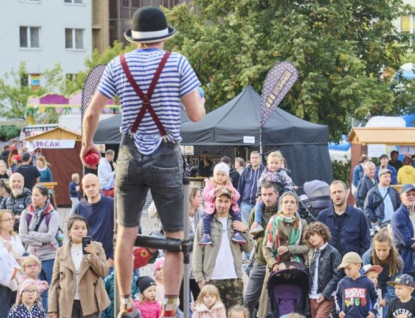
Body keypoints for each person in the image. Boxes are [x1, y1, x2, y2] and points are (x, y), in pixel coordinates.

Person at [81, 5, 205, 317]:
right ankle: (171, 305)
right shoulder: (177, 62)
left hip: (128, 153)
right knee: (175, 237)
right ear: (164, 36)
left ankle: (125, 302)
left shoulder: (117, 64)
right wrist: (199, 99)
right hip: (165, 152)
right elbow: (195, 114)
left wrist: (87, 144)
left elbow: (92, 112)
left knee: (125, 234)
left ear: (135, 39)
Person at [193, 187, 254, 311]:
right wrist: (200, 279)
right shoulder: (205, 223)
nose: (223, 205)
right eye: (220, 201)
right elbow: (197, 252)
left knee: (235, 314)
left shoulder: (238, 222)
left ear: (231, 202)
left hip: (234, 278)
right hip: (212, 279)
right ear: (214, 202)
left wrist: (245, 231)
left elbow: (249, 248)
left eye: (226, 201)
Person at [257, 191, 309, 318]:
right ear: (281, 205)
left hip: (295, 268)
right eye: (286, 202)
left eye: (292, 202)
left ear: (296, 205)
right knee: (270, 303)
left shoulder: (302, 223)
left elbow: (307, 246)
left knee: (295, 299)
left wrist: (289, 248)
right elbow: (266, 247)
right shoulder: (273, 221)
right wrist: (273, 263)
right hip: (275, 267)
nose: (289, 205)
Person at [48, 215, 110, 318]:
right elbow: (55, 281)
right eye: (76, 228)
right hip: (67, 302)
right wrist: (52, 308)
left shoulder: (97, 247)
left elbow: (104, 272)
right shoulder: (61, 252)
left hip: (90, 301)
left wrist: (93, 256)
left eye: (83, 228)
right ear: (69, 231)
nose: (80, 231)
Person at [19, 184, 59, 311]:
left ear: (46, 197)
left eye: (37, 195)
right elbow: (23, 236)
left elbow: (50, 237)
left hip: (49, 256)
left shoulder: (53, 214)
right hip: (32, 257)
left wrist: (32, 234)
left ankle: (49, 312)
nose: (33, 198)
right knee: (34, 288)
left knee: (49, 287)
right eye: (32, 195)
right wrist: (41, 241)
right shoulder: (26, 213)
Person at [243, 181, 280, 318]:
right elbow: (250, 235)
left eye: (270, 194)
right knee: (248, 300)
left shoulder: (283, 210)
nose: (267, 198)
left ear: (277, 194)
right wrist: (252, 231)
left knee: (273, 302)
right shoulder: (256, 211)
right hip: (260, 261)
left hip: (278, 262)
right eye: (264, 194)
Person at [317, 180, 371, 257]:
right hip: (328, 264)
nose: (337, 195)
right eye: (334, 192)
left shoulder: (359, 215)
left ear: (346, 193)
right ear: (330, 196)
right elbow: (317, 242)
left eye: (339, 191)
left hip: (351, 264)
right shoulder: (322, 216)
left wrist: (358, 261)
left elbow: (366, 242)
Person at [71, 174, 114, 266]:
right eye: (87, 186)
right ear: (83, 188)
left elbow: (121, 232)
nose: (91, 189)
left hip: (108, 261)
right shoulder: (79, 208)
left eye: (93, 185)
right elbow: (71, 234)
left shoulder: (111, 205)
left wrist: (111, 259)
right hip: (87, 262)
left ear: (99, 185)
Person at [199, 162, 245, 245]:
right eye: (218, 174)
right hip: (212, 206)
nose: (220, 177)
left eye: (223, 175)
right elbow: (205, 196)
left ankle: (237, 233)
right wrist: (215, 190)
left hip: (228, 206)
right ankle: (206, 234)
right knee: (206, 217)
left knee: (237, 213)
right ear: (214, 174)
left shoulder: (228, 184)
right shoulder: (210, 183)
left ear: (227, 176)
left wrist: (232, 191)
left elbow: (237, 196)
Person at [303, 222, 342, 318]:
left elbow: (337, 275)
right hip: (312, 295)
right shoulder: (311, 252)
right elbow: (307, 271)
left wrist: (325, 294)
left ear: (322, 234)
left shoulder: (333, 252)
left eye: (313, 234)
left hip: (327, 295)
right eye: (309, 236)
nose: (311, 238)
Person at [251, 151, 294, 235]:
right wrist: (259, 195)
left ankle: (279, 219)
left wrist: (286, 192)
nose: (273, 165)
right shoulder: (265, 172)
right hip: (267, 190)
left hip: (280, 192)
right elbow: (260, 183)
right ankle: (257, 222)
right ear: (267, 163)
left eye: (276, 163)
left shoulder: (282, 173)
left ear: (280, 163)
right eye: (271, 163)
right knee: (258, 204)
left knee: (280, 202)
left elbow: (289, 182)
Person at [363, 229, 404, 317]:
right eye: (379, 250)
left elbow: (393, 285)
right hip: (371, 282)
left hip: (388, 283)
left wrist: (385, 300)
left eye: (384, 250)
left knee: (388, 310)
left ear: (390, 247)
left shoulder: (398, 262)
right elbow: (364, 282)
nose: (381, 254)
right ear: (374, 248)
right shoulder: (367, 257)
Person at [335, 252, 379, 318]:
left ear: (358, 266)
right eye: (345, 268)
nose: (347, 271)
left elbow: (376, 297)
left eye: (349, 268)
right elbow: (337, 297)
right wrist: (340, 310)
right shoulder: (342, 283)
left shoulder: (368, 282)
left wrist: (373, 311)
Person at [391, 184, 415, 275]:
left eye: (414, 194)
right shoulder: (398, 216)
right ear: (401, 197)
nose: (411, 197)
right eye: (408, 194)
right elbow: (408, 242)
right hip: (407, 264)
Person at [237, 151, 265, 225]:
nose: (254, 160)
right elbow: (240, 188)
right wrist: (238, 204)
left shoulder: (265, 172)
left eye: (256, 158)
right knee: (245, 227)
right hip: (245, 204)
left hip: (259, 204)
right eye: (252, 158)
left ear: (260, 159)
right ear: (250, 159)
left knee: (257, 227)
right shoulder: (245, 172)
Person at [0, 230, 21, 317]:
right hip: (4, 278)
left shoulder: (15, 237)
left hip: (11, 277)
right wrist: (6, 249)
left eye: (11, 219)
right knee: (4, 308)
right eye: (6, 220)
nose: (11, 221)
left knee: (12, 308)